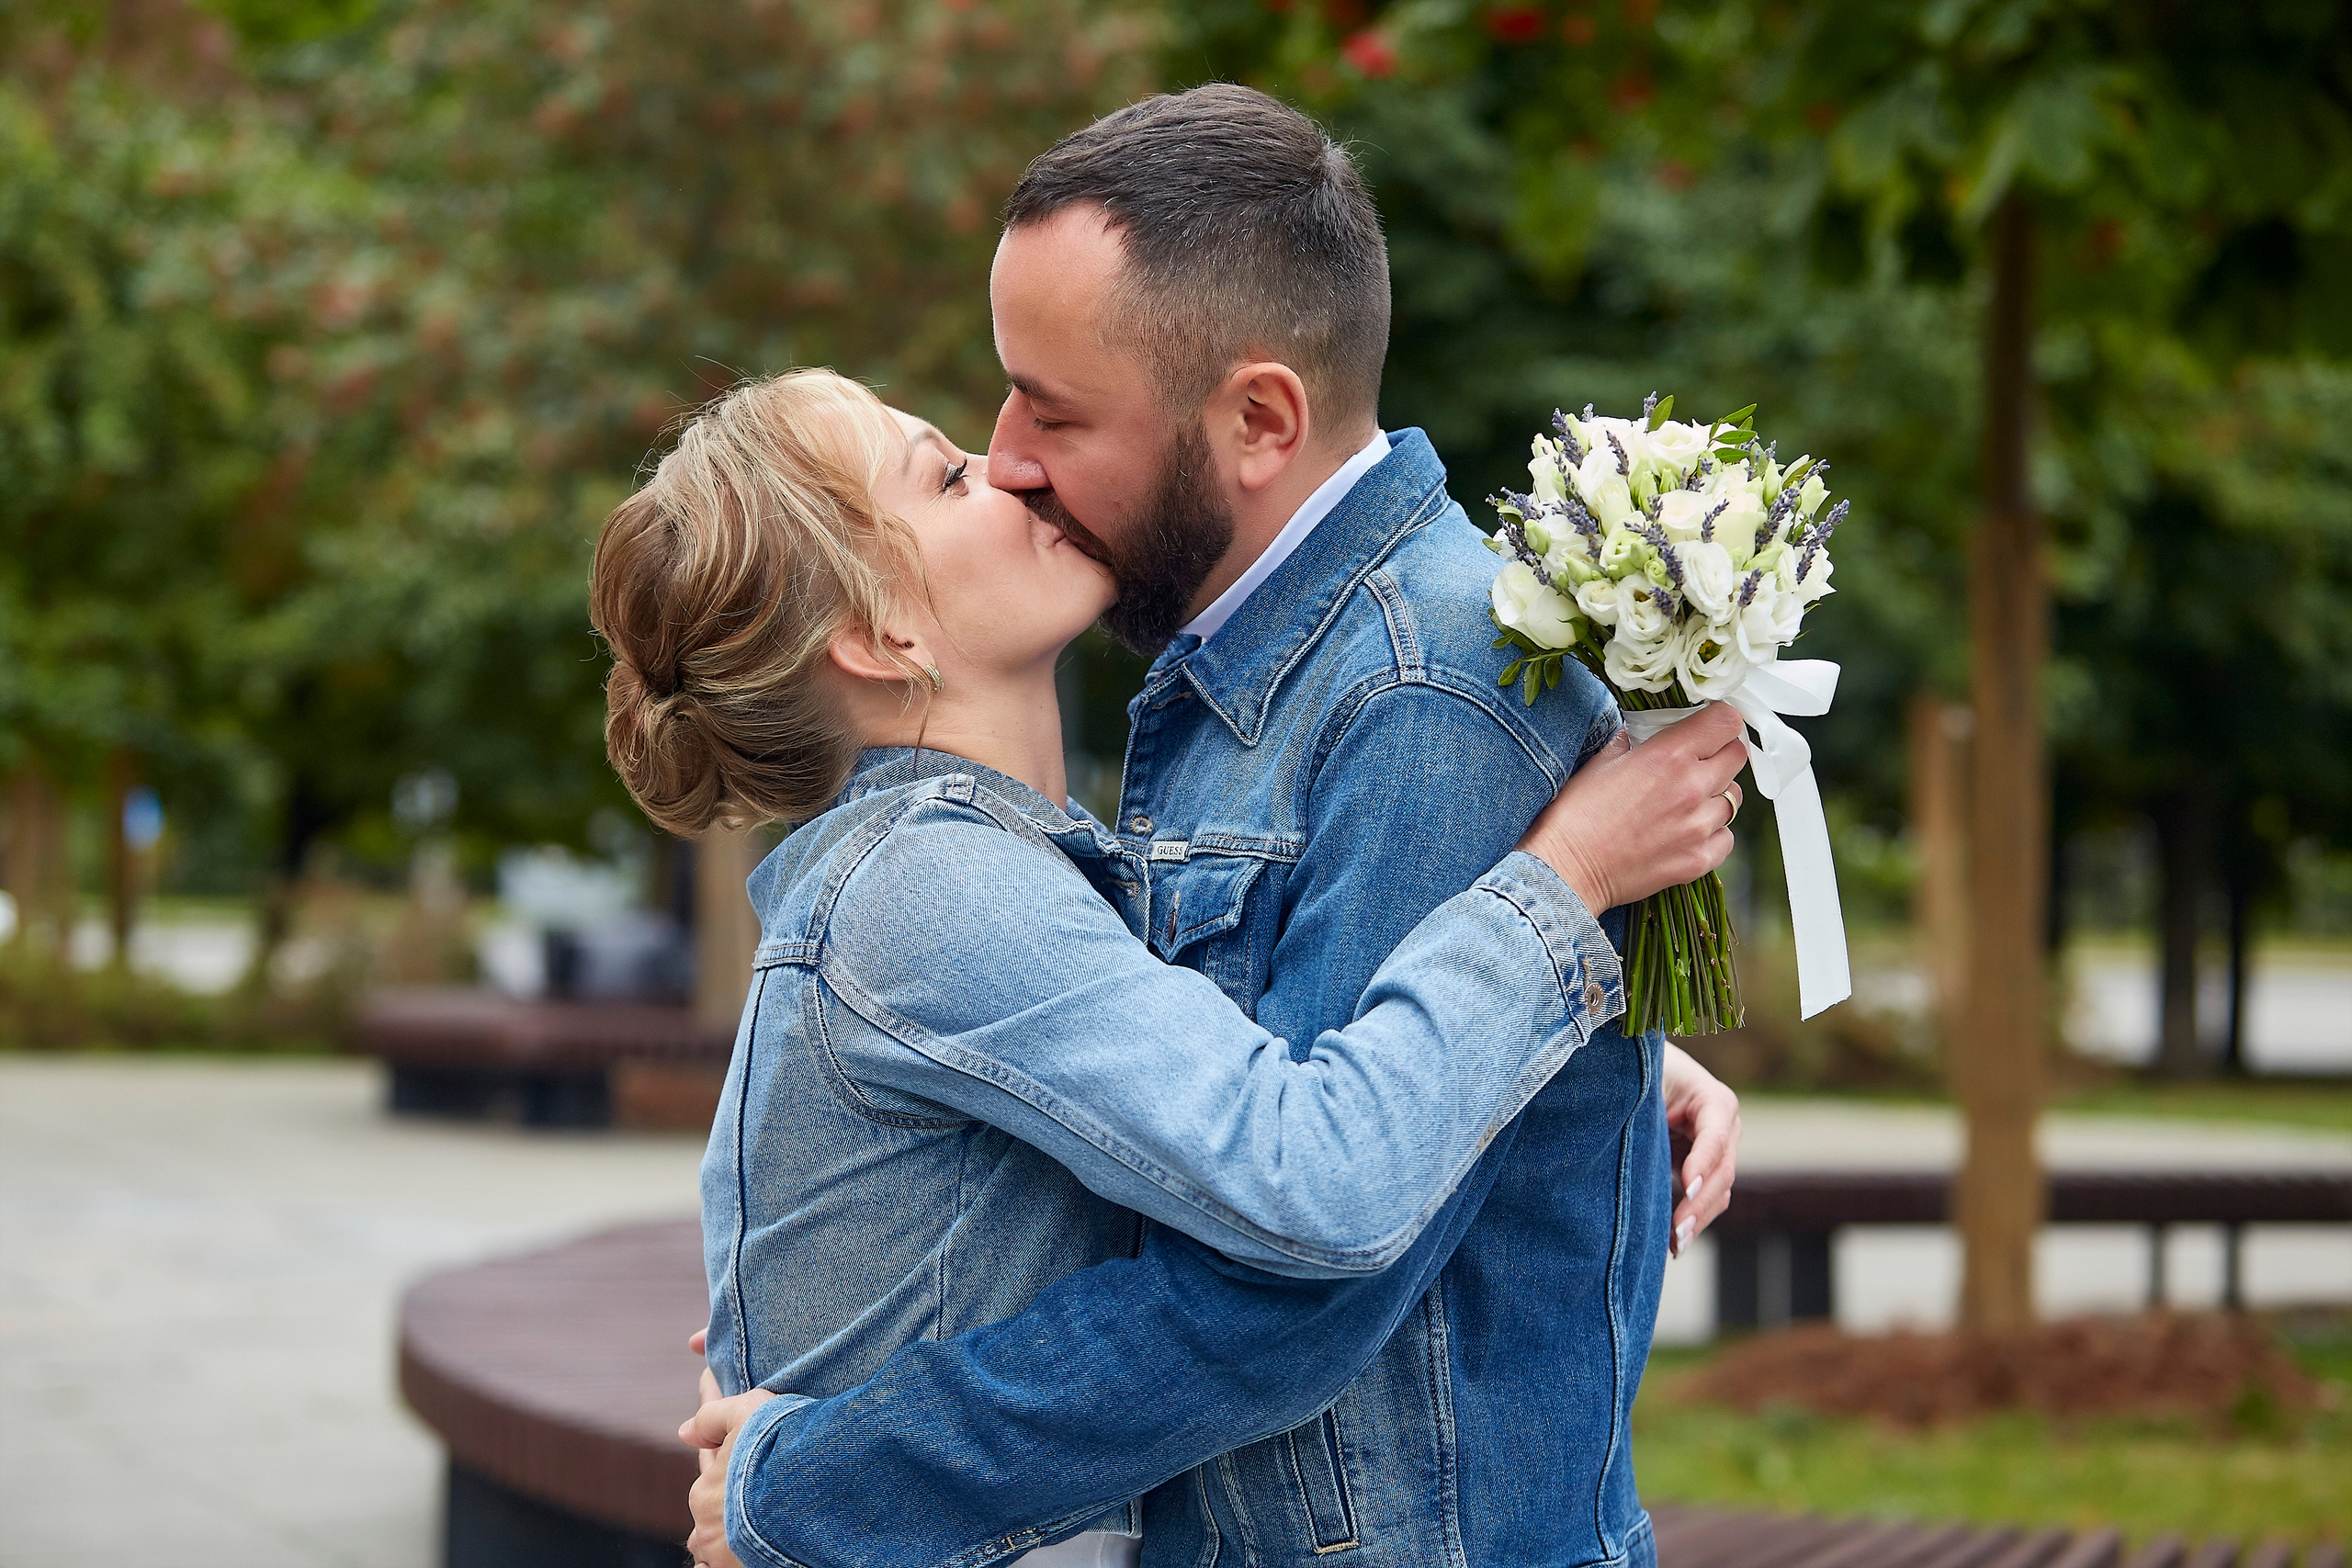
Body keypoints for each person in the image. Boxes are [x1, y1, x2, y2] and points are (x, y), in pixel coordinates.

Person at [679, 85, 1749, 1568]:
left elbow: (1300, 1261)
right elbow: (1209, 1101)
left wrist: (835, 1472)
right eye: (991, 413)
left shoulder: (1418, 691)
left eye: (1053, 411)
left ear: (1258, 420)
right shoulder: (1231, 665)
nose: (1012, 458)